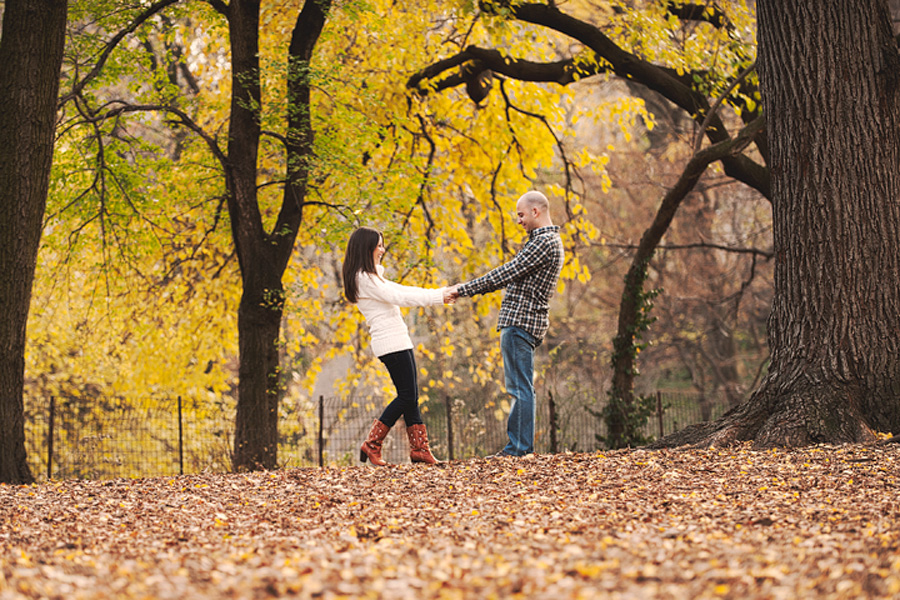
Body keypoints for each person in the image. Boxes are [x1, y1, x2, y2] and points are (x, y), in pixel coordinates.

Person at [447, 190, 564, 457]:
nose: (518, 221)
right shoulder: (548, 241)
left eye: (521, 214)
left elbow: (505, 273)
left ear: (536, 211)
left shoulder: (544, 242)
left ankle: (519, 449)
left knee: (519, 388)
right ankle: (519, 447)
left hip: (520, 322)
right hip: (526, 322)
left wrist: (463, 289)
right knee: (521, 387)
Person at [342, 226, 455, 466]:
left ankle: (420, 450)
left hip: (398, 340)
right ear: (367, 248)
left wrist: (440, 294)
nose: (382, 250)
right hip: (390, 343)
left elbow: (401, 290)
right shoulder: (364, 278)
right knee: (407, 396)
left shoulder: (372, 278)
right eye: (379, 245)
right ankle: (372, 444)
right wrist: (439, 296)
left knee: (410, 396)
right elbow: (400, 298)